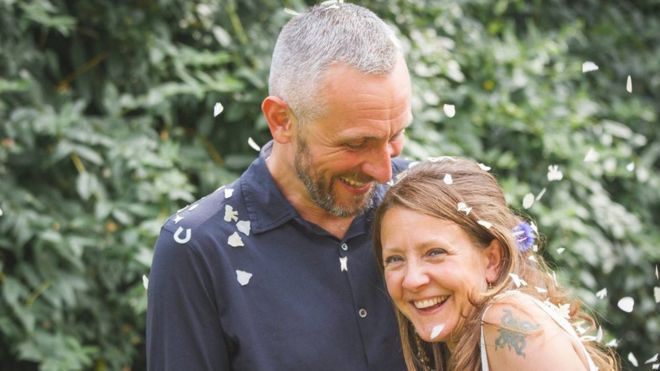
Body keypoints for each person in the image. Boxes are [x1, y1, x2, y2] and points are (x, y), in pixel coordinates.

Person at [147, 2, 412, 370]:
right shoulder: (198, 249)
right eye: (355, 143)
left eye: (396, 135)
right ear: (281, 120)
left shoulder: (429, 203)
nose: (385, 171)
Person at [373, 158, 620, 371]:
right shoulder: (463, 341)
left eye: (435, 253)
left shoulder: (508, 321)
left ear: (492, 259)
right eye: (395, 259)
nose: (412, 279)